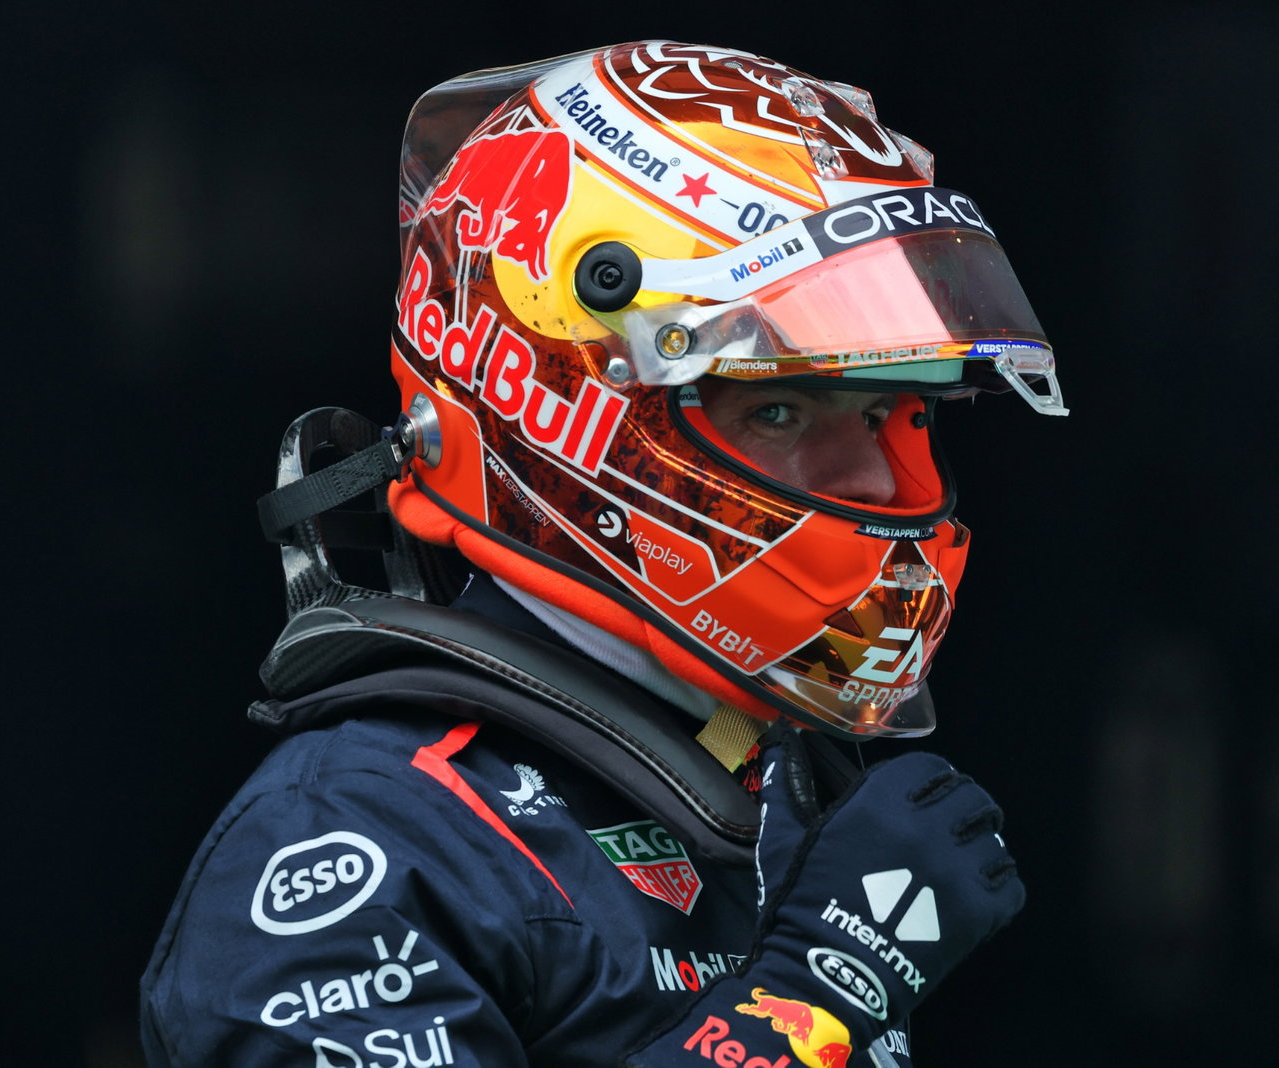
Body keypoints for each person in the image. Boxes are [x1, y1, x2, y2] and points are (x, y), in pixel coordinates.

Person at [140, 39, 1064, 1068]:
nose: (876, 484)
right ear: (566, 412)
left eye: (896, 413)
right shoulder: (363, 835)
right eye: (781, 408)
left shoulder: (776, 783)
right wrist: (813, 998)